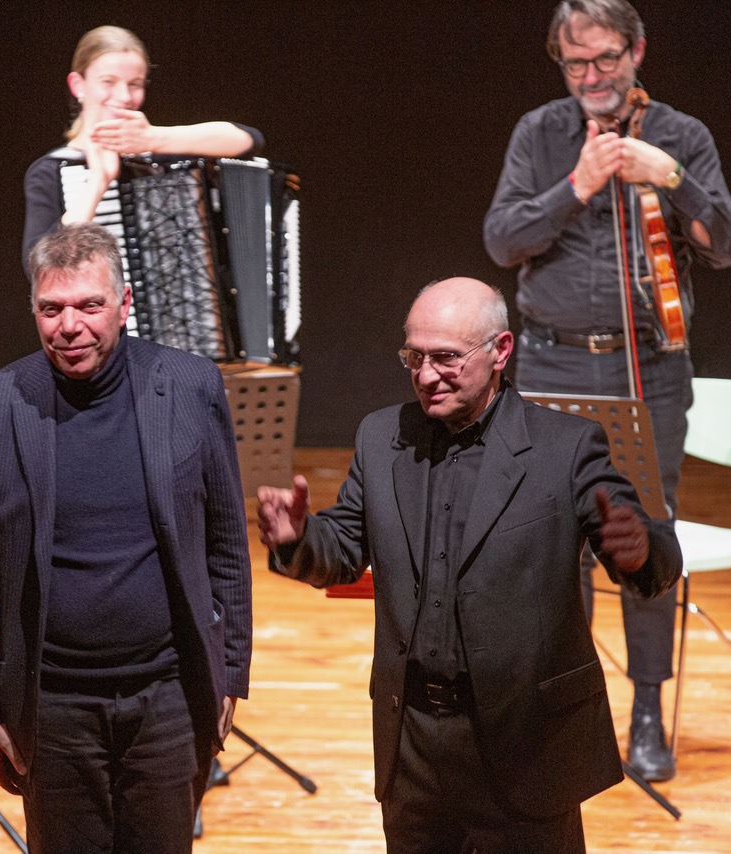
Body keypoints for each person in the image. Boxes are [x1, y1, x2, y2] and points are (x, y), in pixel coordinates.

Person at [258, 278, 682, 852]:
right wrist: (298, 537)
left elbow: (651, 562)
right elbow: (342, 548)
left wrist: (641, 551)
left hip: (524, 742)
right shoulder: (382, 436)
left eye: (447, 358)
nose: (427, 375)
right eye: (415, 356)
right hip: (413, 746)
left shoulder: (566, 446)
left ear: (501, 351)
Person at [483, 0, 731, 782]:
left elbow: (728, 243)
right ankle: (565, 706)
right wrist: (577, 185)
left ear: (637, 52)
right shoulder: (540, 135)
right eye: (576, 64)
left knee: (639, 536)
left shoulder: (683, 135)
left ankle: (644, 714)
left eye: (605, 59)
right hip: (551, 367)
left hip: (650, 371)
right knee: (550, 545)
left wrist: (671, 177)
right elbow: (503, 239)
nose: (591, 77)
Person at [0, 223, 252, 852]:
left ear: (124, 304)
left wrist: (230, 670)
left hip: (168, 696)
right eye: (51, 309)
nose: (69, 326)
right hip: (51, 706)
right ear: (34, 311)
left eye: (89, 305)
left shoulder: (191, 386)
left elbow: (226, 542)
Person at [22, 24, 263, 267]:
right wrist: (97, 182)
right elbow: (44, 268)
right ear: (78, 85)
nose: (125, 96)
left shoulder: (160, 157)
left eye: (134, 84)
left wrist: (153, 139)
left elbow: (248, 140)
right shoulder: (50, 171)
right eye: (108, 81)